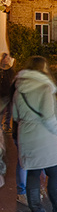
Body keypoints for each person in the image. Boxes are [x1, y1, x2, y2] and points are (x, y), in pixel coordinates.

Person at [13, 56, 57, 212]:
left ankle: (35, 209)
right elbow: (50, 118)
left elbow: (15, 115)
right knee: (54, 174)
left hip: (27, 136)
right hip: (45, 138)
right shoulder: (44, 88)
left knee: (33, 174)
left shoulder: (19, 88)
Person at [0, 53, 14, 189]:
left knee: (8, 111)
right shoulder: (2, 70)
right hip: (2, 95)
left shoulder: (9, 70)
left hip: (7, 95)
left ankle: (5, 125)